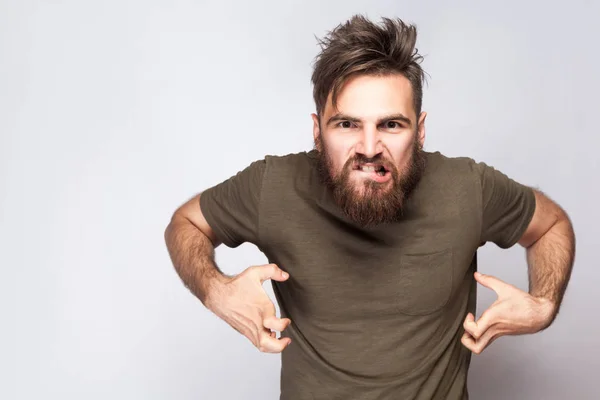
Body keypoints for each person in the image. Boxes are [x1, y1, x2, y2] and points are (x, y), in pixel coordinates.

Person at [164, 14, 575, 400]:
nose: (368, 147)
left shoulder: (467, 187)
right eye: (347, 124)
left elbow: (550, 224)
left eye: (391, 124)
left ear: (421, 130)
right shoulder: (273, 186)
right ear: (316, 130)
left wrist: (544, 305)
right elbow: (186, 223)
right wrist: (215, 290)